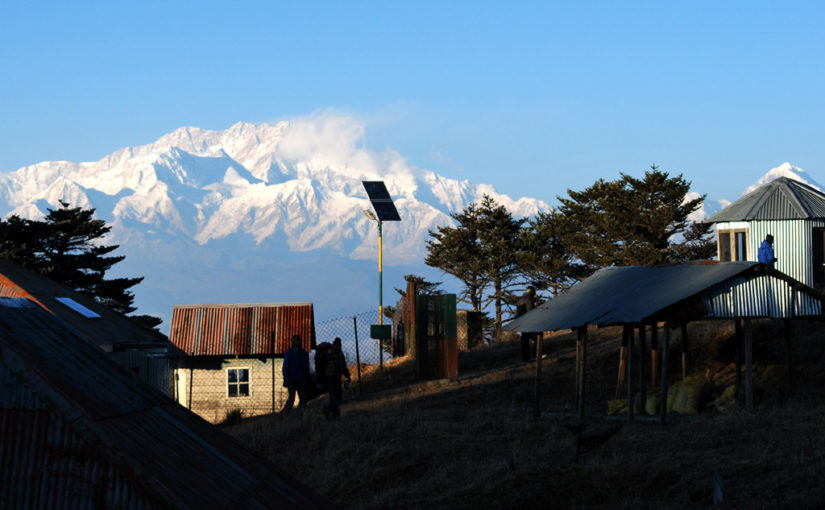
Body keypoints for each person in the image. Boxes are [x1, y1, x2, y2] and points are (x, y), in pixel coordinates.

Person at [324, 337, 351, 418]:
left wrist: (347, 375)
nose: (339, 347)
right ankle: (333, 413)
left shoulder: (339, 353)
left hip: (336, 377)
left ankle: (330, 412)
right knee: (334, 396)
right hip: (329, 377)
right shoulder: (328, 353)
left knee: (338, 395)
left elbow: (343, 365)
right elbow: (322, 366)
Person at [282, 334, 310, 412]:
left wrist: (307, 377)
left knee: (303, 398)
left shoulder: (303, 353)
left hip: (300, 379)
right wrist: (286, 378)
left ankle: (299, 413)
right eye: (296, 341)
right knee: (292, 399)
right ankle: (284, 414)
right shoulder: (289, 353)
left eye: (299, 341)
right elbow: (285, 367)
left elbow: (306, 367)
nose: (298, 342)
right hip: (292, 379)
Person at [516, 287, 537, 362]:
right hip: (530, 323)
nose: (535, 294)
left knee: (524, 342)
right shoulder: (529, 299)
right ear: (532, 292)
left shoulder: (520, 300)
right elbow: (531, 312)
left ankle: (525, 358)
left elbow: (517, 314)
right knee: (536, 339)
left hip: (522, 324)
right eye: (534, 292)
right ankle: (536, 356)